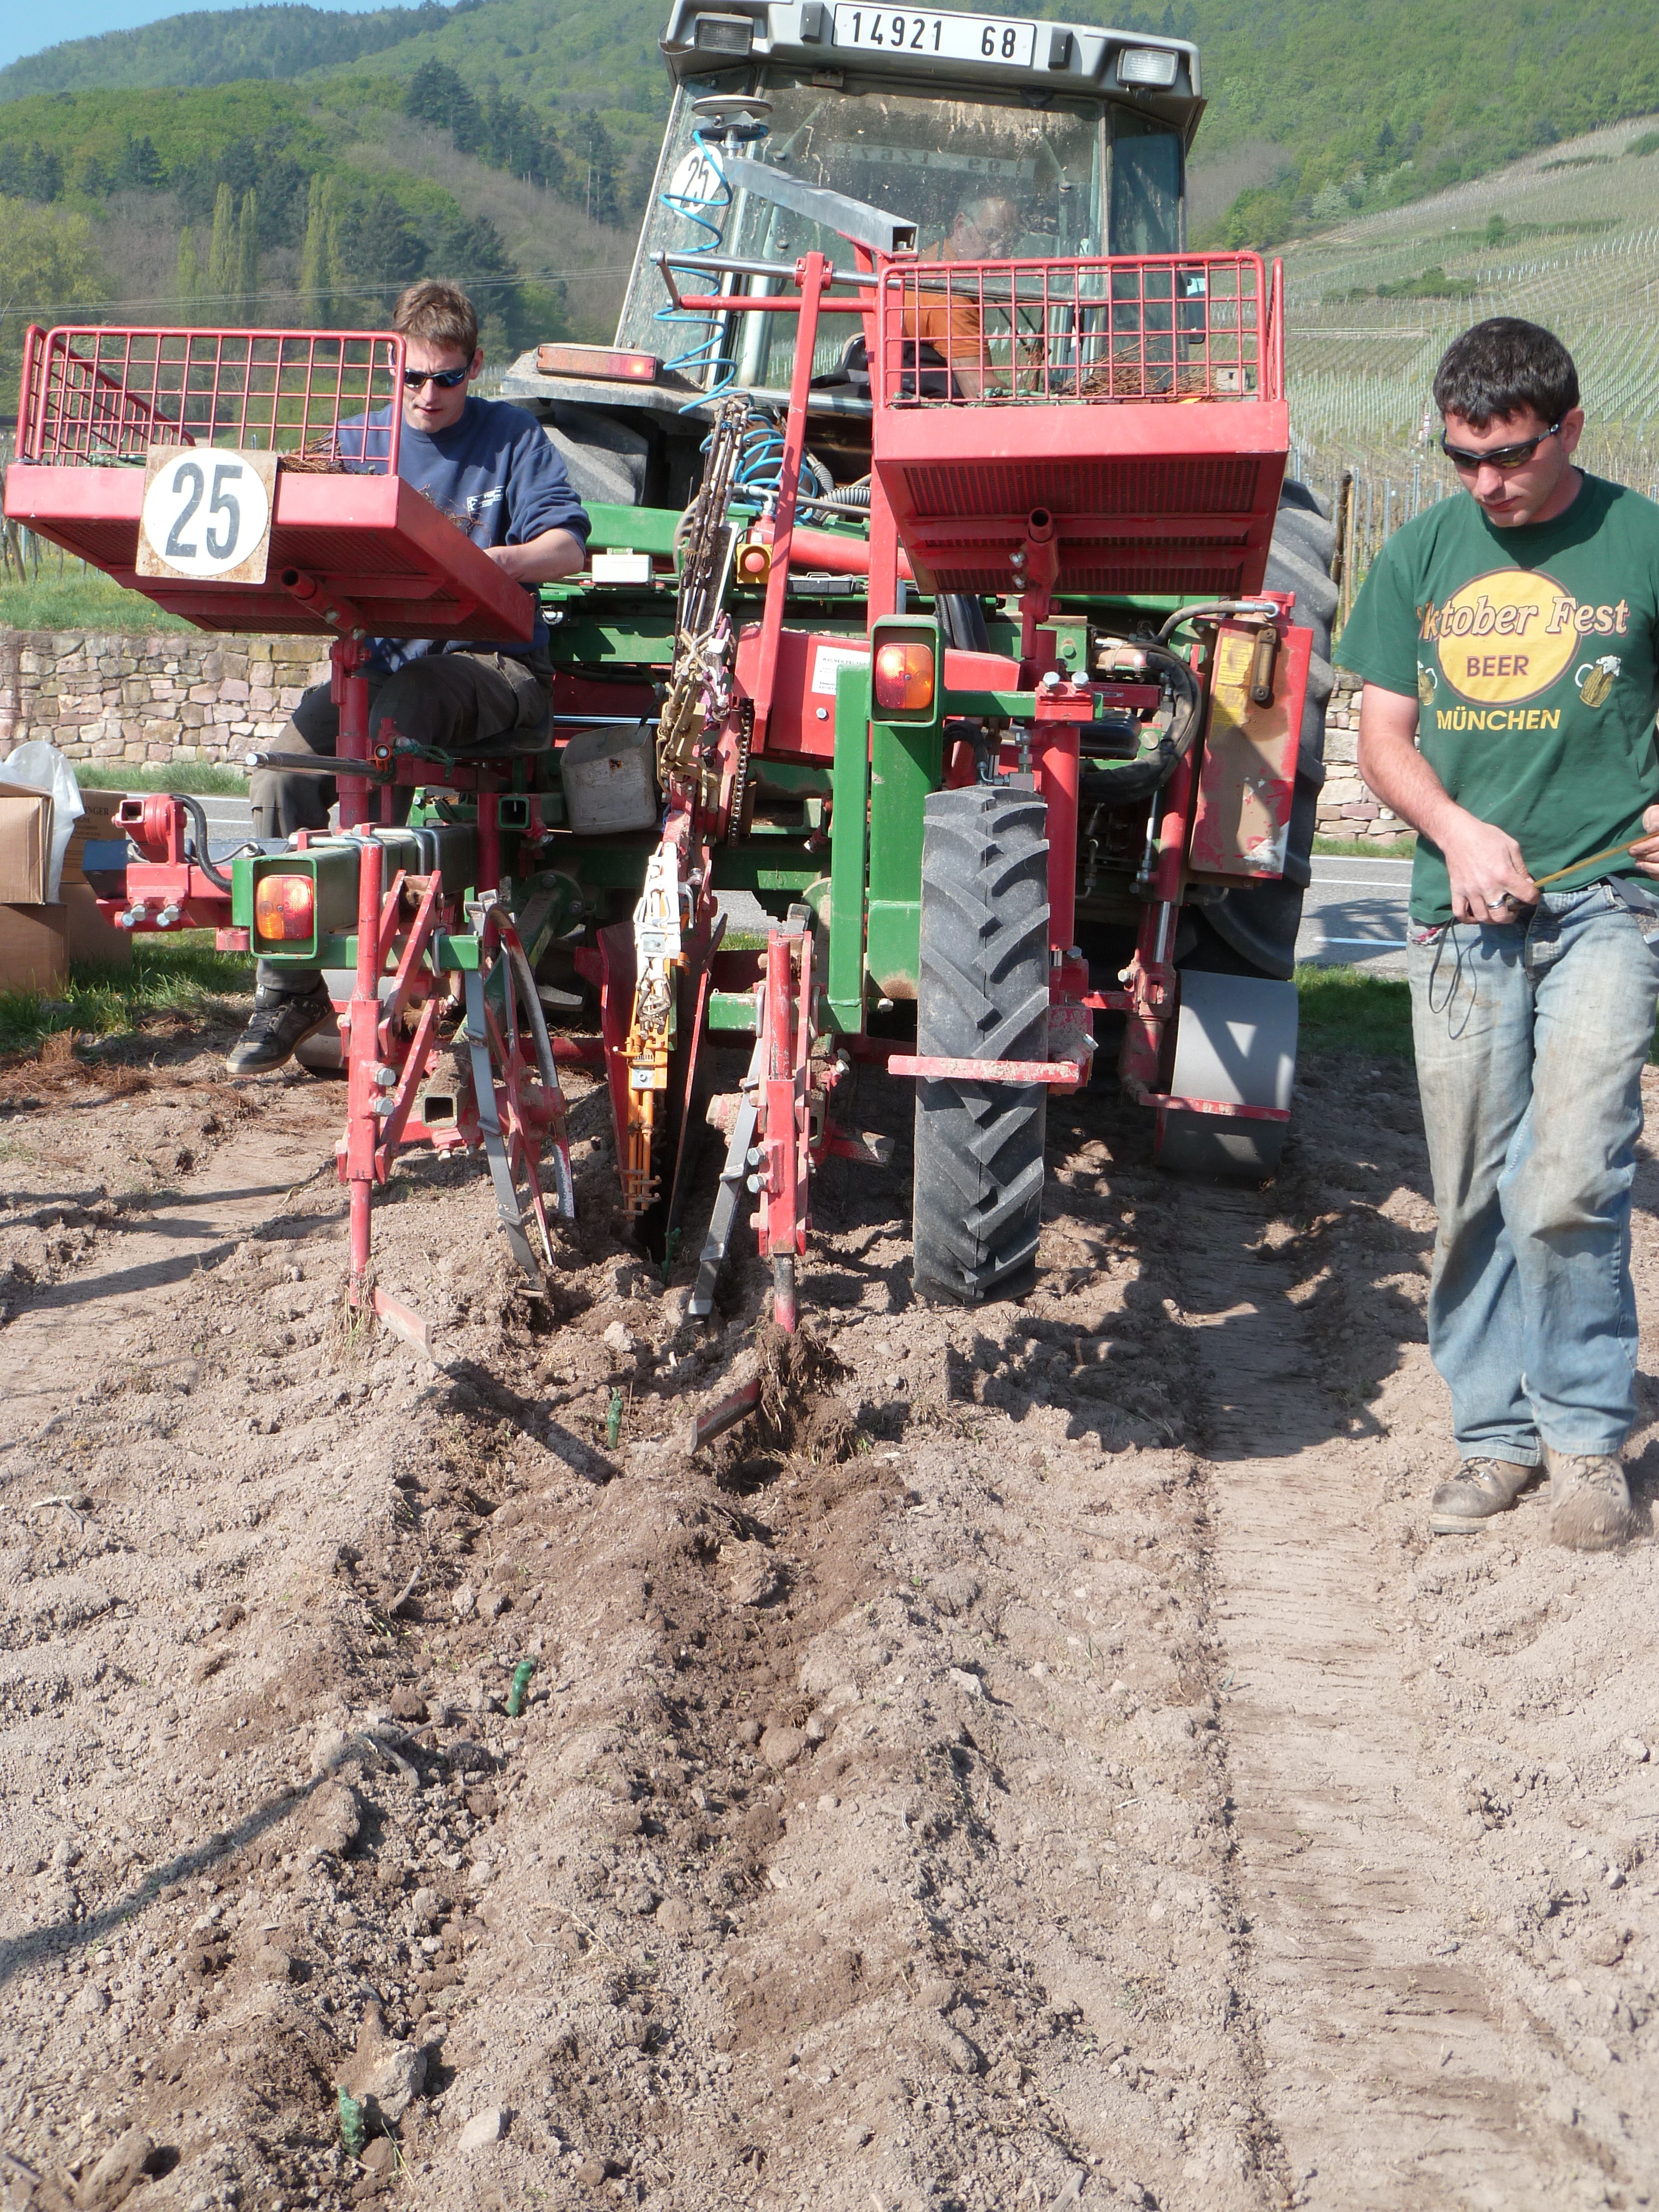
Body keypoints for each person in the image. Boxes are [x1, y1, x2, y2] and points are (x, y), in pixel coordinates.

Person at [1341, 316, 1659, 1551]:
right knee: (1472, 1185)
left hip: (1605, 904)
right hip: (1459, 918)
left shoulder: (1637, 539)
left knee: (1572, 1171)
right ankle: (1491, 1434)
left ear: (1567, 429)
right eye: (1460, 458)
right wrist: (1457, 833)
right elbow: (1380, 739)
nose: (1483, 483)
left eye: (1509, 456)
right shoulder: (1419, 555)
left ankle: (1582, 1437)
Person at [227, 279, 590, 1077]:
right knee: (287, 770)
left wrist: (497, 563)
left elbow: (567, 547)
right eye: (414, 378)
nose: (429, 395)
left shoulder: (512, 439)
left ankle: (393, 930)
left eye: (448, 378)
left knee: (395, 716)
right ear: (393, 367)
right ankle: (288, 989)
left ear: (475, 368)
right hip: (382, 662)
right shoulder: (358, 443)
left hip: (493, 666)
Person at [901, 193, 1022, 398]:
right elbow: (982, 393)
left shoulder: (935, 257)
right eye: (991, 236)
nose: (998, 253)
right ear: (960, 225)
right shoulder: (950, 296)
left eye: (1009, 242)